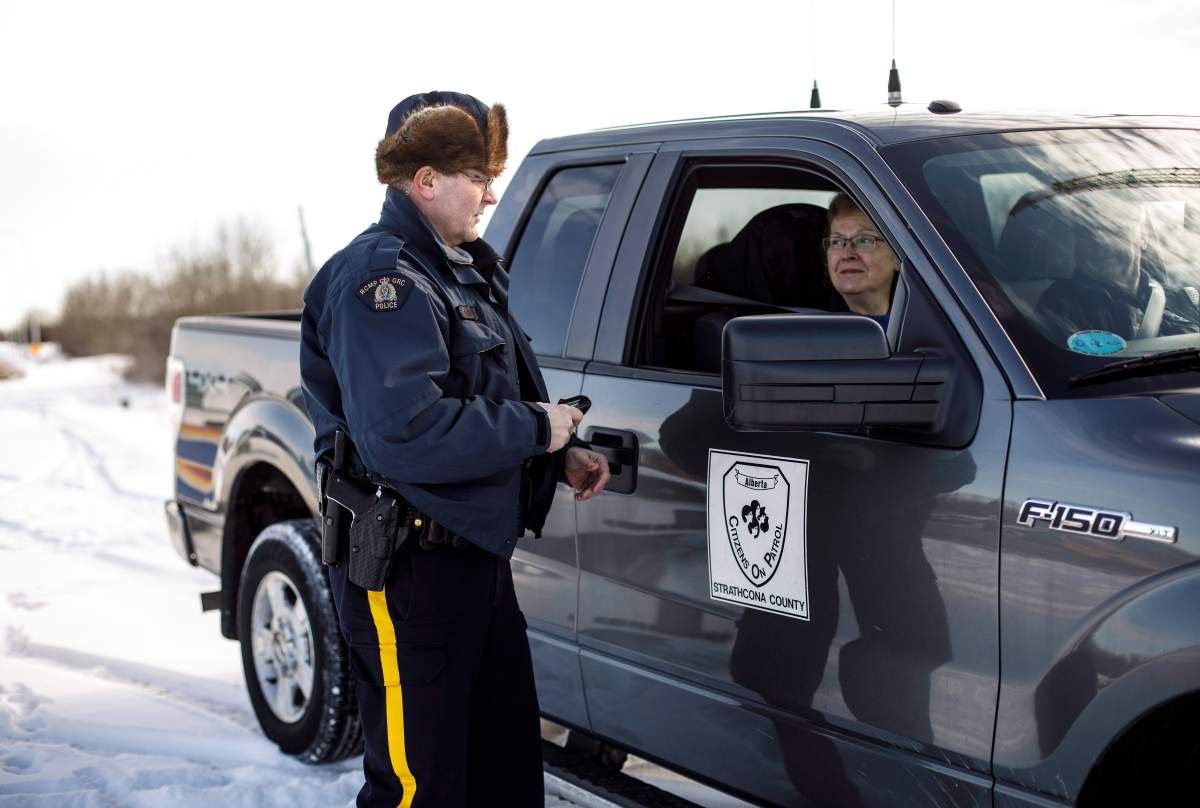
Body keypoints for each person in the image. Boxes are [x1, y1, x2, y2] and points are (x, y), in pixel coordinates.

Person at [299, 90, 610, 808]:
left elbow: (480, 392)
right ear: (426, 179)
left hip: (472, 562)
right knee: (420, 789)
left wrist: (555, 453)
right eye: (478, 175)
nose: (493, 194)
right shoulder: (383, 282)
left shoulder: (458, 269)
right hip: (409, 574)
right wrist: (540, 428)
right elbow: (407, 433)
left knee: (501, 776)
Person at [1037, 216, 1200, 340]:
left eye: (1114, 228)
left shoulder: (1184, 298)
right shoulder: (1060, 307)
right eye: (1086, 232)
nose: (1100, 240)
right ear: (1076, 244)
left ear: (1143, 237)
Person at [822, 193, 901, 329]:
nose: (846, 254)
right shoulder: (812, 335)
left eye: (864, 240)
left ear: (897, 257)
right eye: (837, 241)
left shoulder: (925, 328)